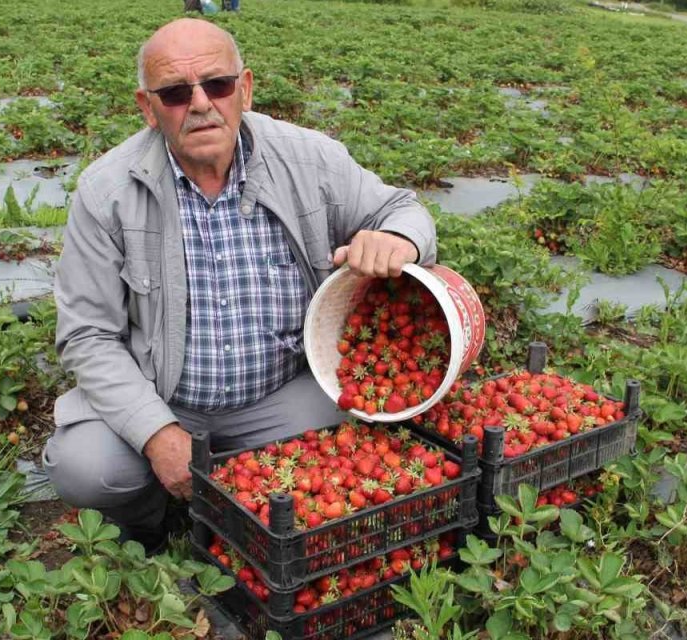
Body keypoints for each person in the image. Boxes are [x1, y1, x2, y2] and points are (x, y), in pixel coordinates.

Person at [42, 18, 436, 552]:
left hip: (282, 395)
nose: (201, 103)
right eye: (176, 93)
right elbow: (88, 334)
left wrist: (397, 240)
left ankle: (255, 508)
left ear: (244, 89)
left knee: (362, 432)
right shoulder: (107, 191)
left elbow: (403, 208)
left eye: (217, 85)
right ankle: (150, 519)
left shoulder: (309, 159)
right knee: (86, 466)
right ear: (148, 107)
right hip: (165, 396)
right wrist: (157, 433)